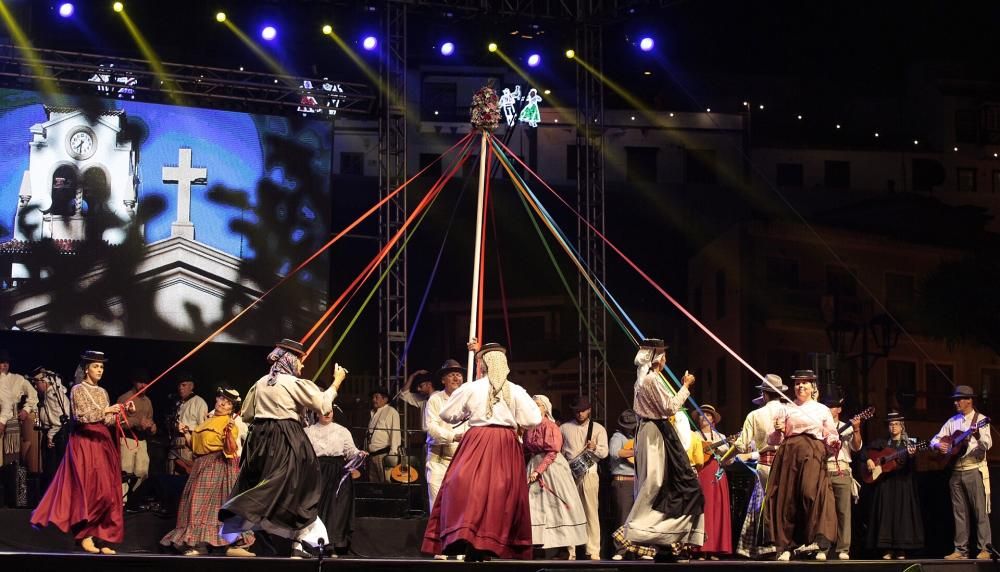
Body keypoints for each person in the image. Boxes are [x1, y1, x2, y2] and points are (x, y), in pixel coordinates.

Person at [219, 339, 347, 558]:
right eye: (300, 360)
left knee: (279, 487)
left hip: (259, 441)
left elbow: (248, 414)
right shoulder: (292, 383)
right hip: (286, 439)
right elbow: (324, 405)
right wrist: (337, 382)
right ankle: (300, 539)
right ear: (290, 359)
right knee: (300, 487)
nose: (302, 366)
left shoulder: (260, 383)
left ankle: (296, 540)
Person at [420, 342, 542, 561]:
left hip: (478, 439)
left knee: (467, 488)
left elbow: (447, 414)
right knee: (501, 492)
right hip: (506, 442)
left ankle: (469, 536)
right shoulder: (515, 390)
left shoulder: (472, 388)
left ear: (483, 365)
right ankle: (489, 542)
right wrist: (514, 418)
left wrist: (466, 413)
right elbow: (533, 419)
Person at [31, 350, 130, 554]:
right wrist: (106, 411)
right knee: (91, 490)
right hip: (85, 443)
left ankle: (101, 536)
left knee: (108, 491)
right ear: (86, 368)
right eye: (95, 366)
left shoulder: (103, 392)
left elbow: (108, 421)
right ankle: (85, 535)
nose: (99, 370)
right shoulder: (77, 389)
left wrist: (122, 411)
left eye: (102, 367)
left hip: (102, 443)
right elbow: (81, 416)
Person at [614, 338, 704, 562]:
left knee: (664, 483)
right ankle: (637, 529)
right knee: (656, 482)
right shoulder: (651, 379)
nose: (665, 359)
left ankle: (664, 540)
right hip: (655, 432)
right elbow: (670, 407)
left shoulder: (645, 378)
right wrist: (686, 386)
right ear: (656, 358)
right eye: (663, 355)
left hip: (656, 431)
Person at [161, 388, 254, 557]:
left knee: (221, 504)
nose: (223, 404)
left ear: (231, 408)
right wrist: (187, 433)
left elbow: (230, 449)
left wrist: (228, 435)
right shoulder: (206, 421)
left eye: (228, 403)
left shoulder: (230, 422)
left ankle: (232, 544)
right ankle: (199, 543)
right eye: (221, 400)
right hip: (201, 465)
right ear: (216, 400)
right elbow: (195, 446)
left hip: (219, 465)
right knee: (196, 503)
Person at [766, 369, 838, 562]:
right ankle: (788, 545)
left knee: (810, 493)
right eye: (797, 383)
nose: (800, 386)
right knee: (787, 498)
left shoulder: (821, 409)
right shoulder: (787, 408)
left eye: (805, 382)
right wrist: (778, 430)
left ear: (812, 386)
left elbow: (830, 434)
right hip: (789, 454)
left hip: (812, 452)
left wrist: (832, 441)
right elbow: (773, 439)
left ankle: (817, 541)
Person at [930, 384, 992, 560]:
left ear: (969, 400)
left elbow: (988, 444)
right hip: (956, 470)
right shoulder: (953, 421)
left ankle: (985, 549)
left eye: (959, 399)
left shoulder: (981, 419)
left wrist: (978, 435)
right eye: (955, 400)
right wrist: (938, 445)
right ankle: (960, 551)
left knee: (980, 511)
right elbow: (934, 440)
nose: (956, 403)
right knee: (959, 512)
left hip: (973, 469)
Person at [730, 374, 787, 558]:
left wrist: (727, 458)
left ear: (764, 394)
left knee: (764, 503)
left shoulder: (755, 415)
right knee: (783, 504)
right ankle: (784, 546)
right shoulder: (790, 412)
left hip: (765, 464)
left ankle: (766, 546)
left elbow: (740, 444)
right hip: (787, 464)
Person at [525, 394, 588, 558]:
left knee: (557, 505)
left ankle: (564, 548)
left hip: (552, 467)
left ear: (545, 408)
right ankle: (538, 545)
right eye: (533, 404)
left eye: (538, 405)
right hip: (534, 463)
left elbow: (552, 451)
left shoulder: (551, 427)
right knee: (535, 506)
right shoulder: (530, 427)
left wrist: (539, 470)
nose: (535, 407)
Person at [304, 404, 366, 556]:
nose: (327, 413)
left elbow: (350, 451)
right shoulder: (308, 431)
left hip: (338, 473)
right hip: (317, 471)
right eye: (324, 411)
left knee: (336, 509)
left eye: (330, 411)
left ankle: (331, 544)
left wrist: (359, 454)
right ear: (317, 413)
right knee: (317, 508)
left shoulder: (341, 430)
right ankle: (315, 544)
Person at [865, 411, 924, 560]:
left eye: (896, 424)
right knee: (886, 514)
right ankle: (887, 549)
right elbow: (865, 451)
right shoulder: (882, 443)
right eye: (891, 424)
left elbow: (912, 465)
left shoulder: (909, 443)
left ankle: (901, 549)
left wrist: (911, 455)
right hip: (886, 484)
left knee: (902, 514)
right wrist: (868, 460)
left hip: (903, 484)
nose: (893, 427)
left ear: (902, 426)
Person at [560, 396, 609, 560]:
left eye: (582, 410)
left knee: (591, 513)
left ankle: (593, 550)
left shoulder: (598, 428)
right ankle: (570, 551)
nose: (580, 413)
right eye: (576, 411)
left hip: (589, 473)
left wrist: (595, 447)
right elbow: (559, 452)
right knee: (570, 512)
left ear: (589, 410)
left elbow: (605, 453)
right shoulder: (564, 428)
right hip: (569, 475)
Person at [823, 392, 862, 560]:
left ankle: (843, 548)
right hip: (824, 470)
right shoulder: (820, 427)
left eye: (832, 407)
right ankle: (823, 547)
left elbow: (857, 447)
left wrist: (856, 428)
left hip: (842, 470)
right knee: (824, 512)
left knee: (843, 512)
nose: (829, 410)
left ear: (839, 409)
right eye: (827, 407)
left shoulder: (846, 426)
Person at [424, 358, 467, 509]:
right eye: (451, 375)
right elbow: (431, 428)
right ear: (443, 380)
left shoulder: (467, 400)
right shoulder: (435, 399)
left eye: (459, 374)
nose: (456, 377)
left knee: (458, 507)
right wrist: (453, 437)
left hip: (461, 462)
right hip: (438, 461)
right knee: (437, 506)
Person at [691, 405, 731, 559]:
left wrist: (723, 451)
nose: (704, 417)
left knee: (717, 508)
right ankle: (700, 548)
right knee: (703, 509)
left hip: (716, 474)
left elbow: (729, 461)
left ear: (713, 419)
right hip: (701, 474)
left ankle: (715, 548)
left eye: (707, 415)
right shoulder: (694, 435)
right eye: (701, 415)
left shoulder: (720, 436)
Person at [117, 370, 157, 503]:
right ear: (134, 382)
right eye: (140, 382)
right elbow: (118, 423)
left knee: (142, 471)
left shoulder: (148, 401)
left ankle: (134, 499)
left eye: (146, 383)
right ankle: (122, 502)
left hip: (142, 440)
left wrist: (152, 426)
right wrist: (137, 422)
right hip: (127, 439)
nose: (143, 385)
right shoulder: (125, 398)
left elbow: (150, 419)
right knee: (126, 470)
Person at [0, 349, 40, 474]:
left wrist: (26, 409)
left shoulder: (17, 379)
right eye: (1, 362)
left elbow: (33, 394)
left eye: (7, 362)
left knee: (10, 459)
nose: (5, 365)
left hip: (12, 421)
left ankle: (10, 486)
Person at [29, 367, 70, 490]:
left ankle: (53, 496)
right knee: (50, 467)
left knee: (52, 468)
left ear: (44, 382)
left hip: (56, 434)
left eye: (37, 384)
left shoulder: (52, 394)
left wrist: (50, 435)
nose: (36, 387)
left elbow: (59, 419)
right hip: (54, 432)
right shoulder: (51, 393)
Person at [608, 409, 638, 560]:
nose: (630, 427)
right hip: (622, 481)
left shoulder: (636, 437)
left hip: (636, 482)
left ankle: (637, 550)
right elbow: (614, 452)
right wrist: (635, 452)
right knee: (622, 517)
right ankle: (619, 551)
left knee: (638, 518)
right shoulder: (617, 437)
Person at [168, 375, 208, 475]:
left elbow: (202, 429)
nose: (180, 388)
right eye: (179, 385)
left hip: (188, 446)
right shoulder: (177, 403)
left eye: (184, 385)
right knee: (171, 476)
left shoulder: (199, 403)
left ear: (191, 386)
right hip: (174, 445)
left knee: (186, 478)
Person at [365, 388, 400, 483]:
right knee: (373, 485)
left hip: (383, 456)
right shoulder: (374, 413)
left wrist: (392, 456)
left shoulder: (391, 412)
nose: (374, 400)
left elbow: (395, 434)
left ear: (385, 399)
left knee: (385, 483)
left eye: (377, 397)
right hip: (372, 456)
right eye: (373, 397)